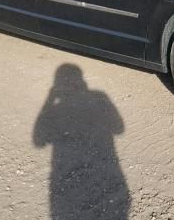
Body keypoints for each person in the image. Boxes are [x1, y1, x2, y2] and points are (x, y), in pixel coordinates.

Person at [33, 64, 129, 219]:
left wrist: (49, 99)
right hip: (109, 177)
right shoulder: (100, 96)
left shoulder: (58, 106)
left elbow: (38, 141)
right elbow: (119, 129)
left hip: (65, 189)